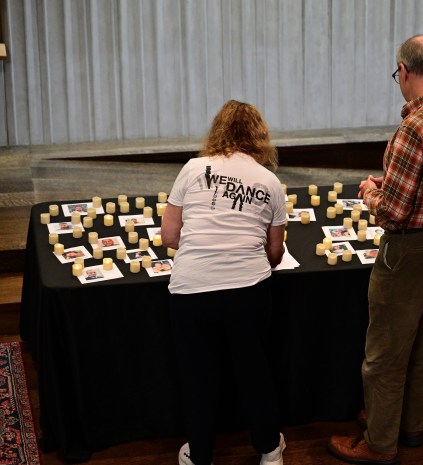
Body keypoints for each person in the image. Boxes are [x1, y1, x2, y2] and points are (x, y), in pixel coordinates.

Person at [328, 35, 423, 465]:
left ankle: (379, 443)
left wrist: (371, 194)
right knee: (422, 341)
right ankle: (407, 427)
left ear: (406, 71)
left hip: (408, 248)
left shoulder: (414, 127)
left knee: (385, 354)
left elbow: (392, 214)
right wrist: (390, 183)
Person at [161, 100, 287, 465]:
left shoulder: (193, 168)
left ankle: (200, 455)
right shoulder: (270, 182)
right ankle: (269, 451)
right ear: (260, 137)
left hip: (191, 290)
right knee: (254, 370)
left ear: (217, 132)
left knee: (198, 376)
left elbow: (169, 235)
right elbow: (275, 253)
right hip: (249, 290)